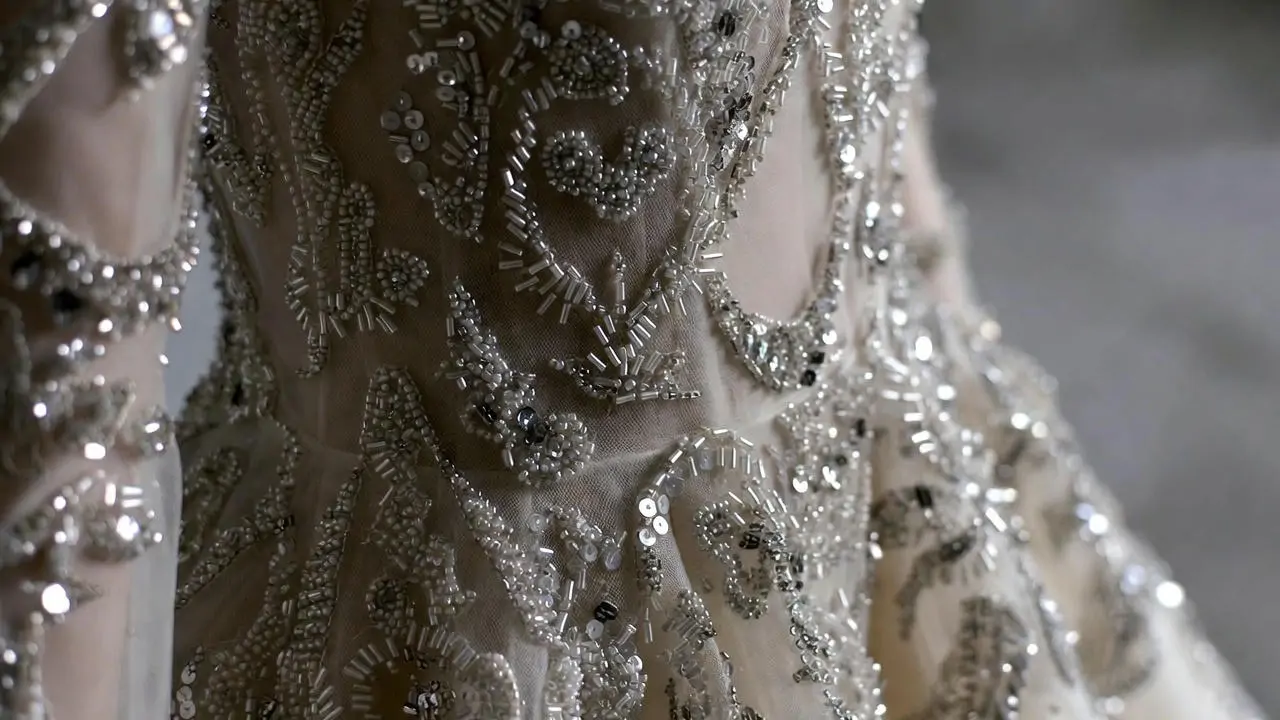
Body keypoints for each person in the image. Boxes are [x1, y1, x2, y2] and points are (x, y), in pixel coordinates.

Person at [0, 1, 1265, 718]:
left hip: (891, 503)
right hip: (450, 623)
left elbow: (870, 119)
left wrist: (936, 297)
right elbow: (75, 367)